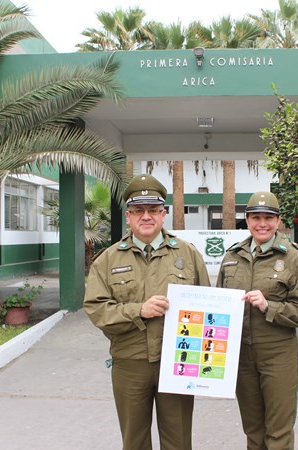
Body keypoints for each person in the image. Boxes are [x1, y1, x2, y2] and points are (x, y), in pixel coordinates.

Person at [84, 174, 210, 450]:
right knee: (134, 442)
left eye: (153, 210)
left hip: (177, 361)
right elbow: (96, 308)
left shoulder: (188, 255)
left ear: (163, 214)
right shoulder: (108, 259)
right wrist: (137, 310)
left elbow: (206, 305)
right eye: (139, 211)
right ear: (128, 217)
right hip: (131, 363)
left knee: (178, 442)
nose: (146, 216)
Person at [217, 191, 298, 450]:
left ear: (279, 221)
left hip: (277, 353)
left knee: (278, 431)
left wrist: (268, 305)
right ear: (247, 220)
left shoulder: (294, 257)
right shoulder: (232, 256)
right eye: (256, 217)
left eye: (269, 218)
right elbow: (219, 305)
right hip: (241, 355)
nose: (262, 223)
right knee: (253, 428)